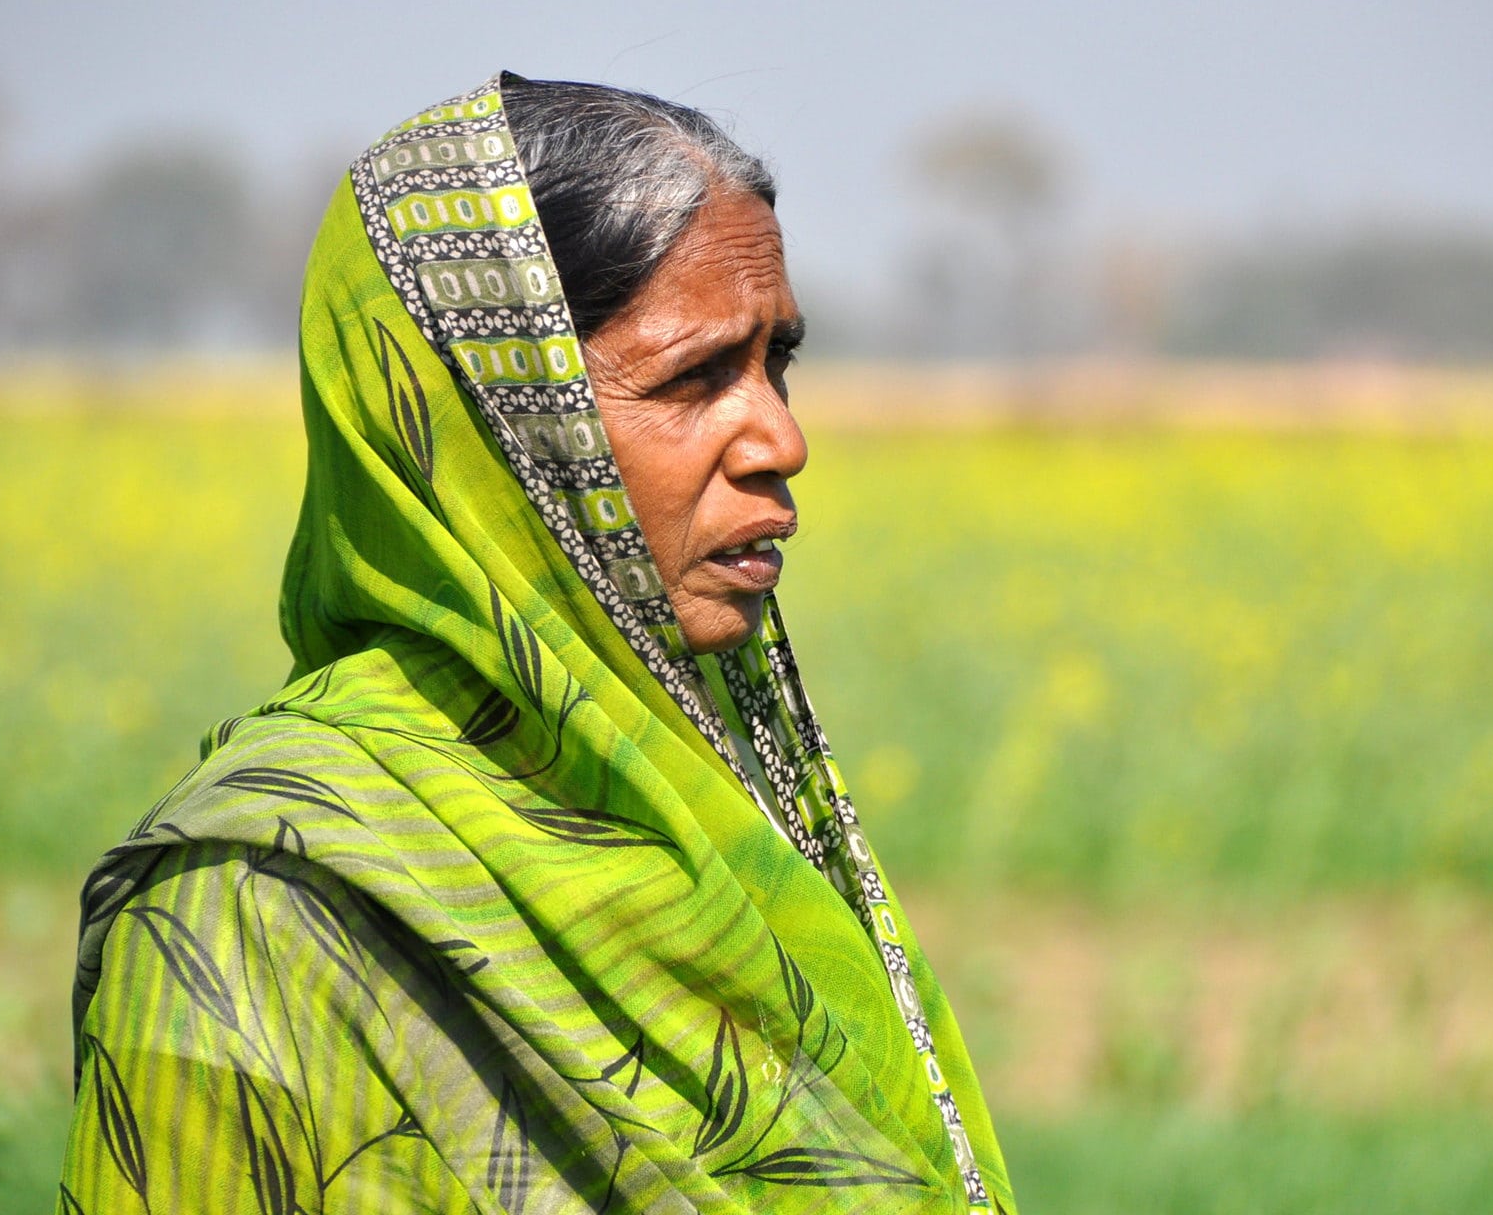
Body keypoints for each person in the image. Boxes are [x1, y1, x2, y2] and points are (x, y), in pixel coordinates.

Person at [58, 75, 1015, 1214]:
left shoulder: (723, 834)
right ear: (496, 420)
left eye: (778, 364)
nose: (782, 439)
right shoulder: (255, 903)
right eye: (695, 375)